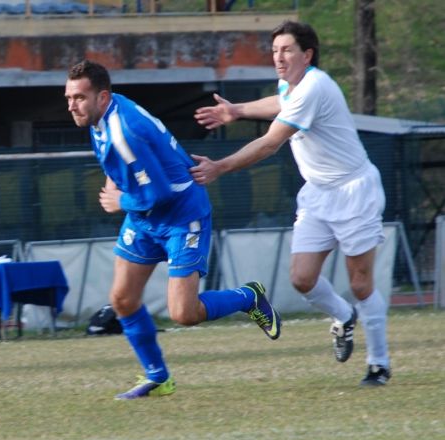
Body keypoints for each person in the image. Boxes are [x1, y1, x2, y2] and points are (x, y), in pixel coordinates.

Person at [65, 59, 281, 400]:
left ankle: (248, 296)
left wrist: (120, 201)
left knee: (184, 313)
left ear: (103, 97)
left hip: (181, 214)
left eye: (78, 97)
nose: (72, 105)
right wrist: (120, 190)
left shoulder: (124, 131)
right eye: (68, 98)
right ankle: (158, 377)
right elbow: (124, 169)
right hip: (145, 215)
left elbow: (160, 192)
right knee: (122, 299)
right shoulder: (101, 117)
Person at [192, 21, 391, 386]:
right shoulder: (293, 85)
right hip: (317, 193)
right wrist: (237, 111)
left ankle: (379, 364)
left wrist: (219, 167)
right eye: (274, 51)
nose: (278, 58)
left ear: (307, 55)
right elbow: (281, 100)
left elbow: (270, 143)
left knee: (361, 283)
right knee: (302, 279)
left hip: (354, 191)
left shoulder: (315, 86)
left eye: (286, 50)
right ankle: (344, 317)